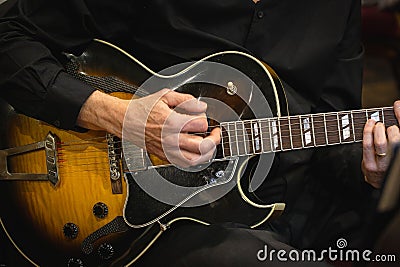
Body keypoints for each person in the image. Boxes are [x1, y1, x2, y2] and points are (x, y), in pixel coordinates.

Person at [0, 0, 399, 266]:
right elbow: (9, 37)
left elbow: (335, 125)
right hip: (158, 216)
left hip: (296, 200)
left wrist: (376, 168)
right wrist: (119, 116)